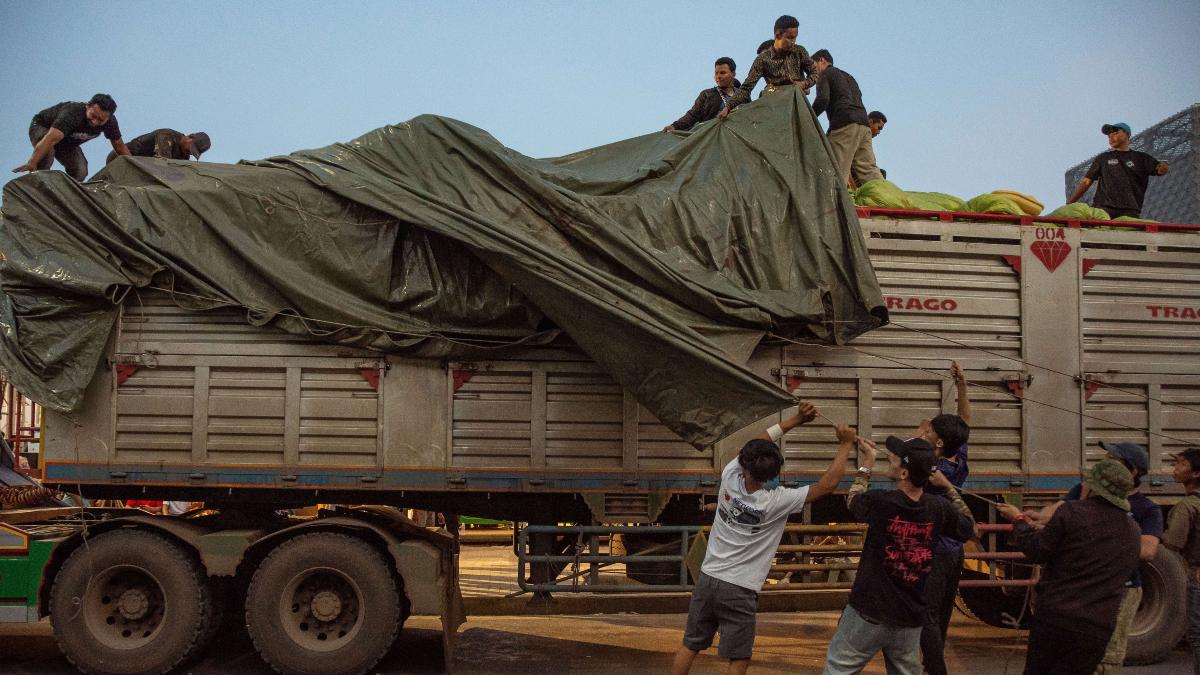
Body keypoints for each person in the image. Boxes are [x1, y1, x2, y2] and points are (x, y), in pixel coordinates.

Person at [670, 403, 854, 675]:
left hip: (708, 578)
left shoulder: (730, 476)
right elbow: (827, 485)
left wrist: (795, 420)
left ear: (745, 466)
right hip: (740, 588)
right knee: (739, 657)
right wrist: (845, 444)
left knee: (691, 645)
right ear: (774, 474)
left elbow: (757, 442)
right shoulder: (776, 501)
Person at [822, 436, 975, 675]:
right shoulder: (938, 507)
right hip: (910, 617)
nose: (890, 458)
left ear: (904, 473)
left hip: (869, 611)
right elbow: (970, 527)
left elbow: (852, 500)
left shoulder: (883, 502)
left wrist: (867, 463)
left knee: (838, 669)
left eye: (895, 458)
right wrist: (948, 487)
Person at [996, 459, 1141, 675]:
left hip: (1056, 617)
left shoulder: (1072, 512)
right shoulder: (1133, 530)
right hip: (1097, 626)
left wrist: (1018, 520)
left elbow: (1037, 550)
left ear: (1093, 487)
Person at [1030, 442, 1163, 674]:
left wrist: (1100, 540)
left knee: (1106, 659)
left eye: (1111, 459)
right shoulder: (1082, 492)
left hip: (1121, 589)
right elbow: (1052, 514)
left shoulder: (1146, 509)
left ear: (1131, 472)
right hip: (1081, 590)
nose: (1103, 462)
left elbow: (1148, 550)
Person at [917, 362, 972, 675]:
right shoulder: (958, 456)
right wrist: (962, 386)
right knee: (941, 613)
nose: (926, 431)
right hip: (953, 550)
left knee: (927, 613)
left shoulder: (935, 472)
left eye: (930, 432)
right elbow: (964, 420)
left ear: (938, 443)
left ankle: (935, 669)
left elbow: (899, 466)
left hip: (936, 550)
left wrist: (917, 437)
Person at [809, 49, 883, 190]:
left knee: (835, 169)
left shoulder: (825, 74)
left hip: (844, 125)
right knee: (868, 169)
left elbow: (823, 99)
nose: (812, 72)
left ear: (822, 60)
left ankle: (836, 207)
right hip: (863, 125)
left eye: (813, 66)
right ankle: (890, 199)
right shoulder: (849, 77)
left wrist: (809, 116)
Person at [720, 15, 820, 118]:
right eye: (789, 38)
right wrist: (728, 107)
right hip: (776, 109)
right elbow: (746, 88)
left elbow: (815, 73)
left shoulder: (799, 51)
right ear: (778, 35)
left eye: (795, 37)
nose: (793, 41)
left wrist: (804, 84)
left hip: (798, 107)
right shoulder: (762, 59)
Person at [14, 94, 129, 181]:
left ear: (108, 118)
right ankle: (40, 185)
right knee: (47, 153)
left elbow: (119, 147)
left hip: (67, 142)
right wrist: (32, 162)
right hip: (44, 129)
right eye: (93, 116)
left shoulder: (110, 123)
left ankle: (67, 196)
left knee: (81, 171)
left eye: (100, 120)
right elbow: (50, 139)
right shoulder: (73, 113)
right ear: (87, 106)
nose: (94, 122)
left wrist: (135, 166)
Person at [1067, 122, 1169, 219]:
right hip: (1103, 208)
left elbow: (1159, 169)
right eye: (1109, 136)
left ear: (1127, 134)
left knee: (1127, 236)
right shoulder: (1103, 158)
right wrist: (1069, 204)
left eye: (1115, 133)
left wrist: (1163, 168)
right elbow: (1086, 182)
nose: (1111, 137)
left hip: (1130, 210)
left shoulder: (1141, 158)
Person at [1163, 447, 1200, 675]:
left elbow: (1173, 543)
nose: (1175, 468)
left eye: (1182, 464)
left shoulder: (1187, 506)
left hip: (1195, 576)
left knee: (1197, 635)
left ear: (1196, 474)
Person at [663, 58, 741, 133]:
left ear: (733, 74)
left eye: (722, 73)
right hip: (713, 138)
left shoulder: (742, 95)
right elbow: (692, 115)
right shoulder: (707, 95)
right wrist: (675, 126)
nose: (718, 76)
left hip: (737, 139)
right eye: (716, 73)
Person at [106, 129, 210, 164]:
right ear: (190, 138)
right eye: (191, 148)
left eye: (194, 152)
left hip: (140, 170)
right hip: (120, 158)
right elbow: (161, 164)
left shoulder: (184, 156)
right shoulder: (167, 136)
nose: (191, 152)